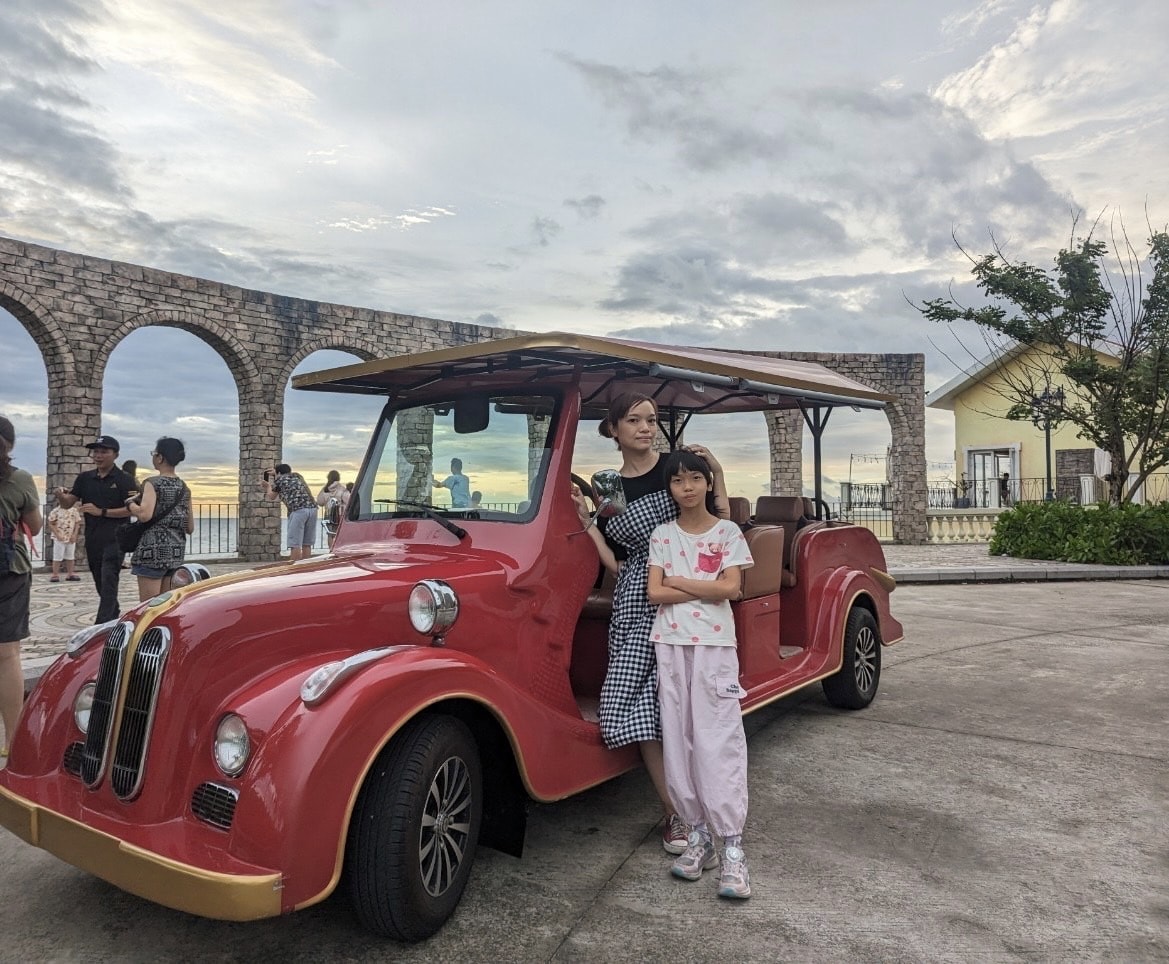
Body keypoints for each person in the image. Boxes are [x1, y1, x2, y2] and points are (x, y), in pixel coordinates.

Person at [569, 392, 730, 856]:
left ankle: (704, 802)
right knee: (637, 702)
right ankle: (674, 810)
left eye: (652, 419)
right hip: (636, 596)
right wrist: (588, 525)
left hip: (689, 590)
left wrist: (716, 473)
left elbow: (717, 524)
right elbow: (619, 562)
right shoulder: (607, 483)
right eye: (634, 420)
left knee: (682, 702)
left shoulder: (675, 466)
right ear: (613, 429)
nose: (645, 427)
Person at [647, 449, 754, 899]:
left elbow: (732, 588)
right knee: (679, 738)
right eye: (677, 481)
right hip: (670, 644)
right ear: (669, 488)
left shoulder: (727, 532)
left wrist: (681, 584)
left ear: (709, 483)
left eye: (695, 478)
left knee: (719, 738)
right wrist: (700, 590)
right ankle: (698, 835)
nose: (687, 487)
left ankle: (732, 847)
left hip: (714, 648)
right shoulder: (662, 534)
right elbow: (654, 592)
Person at [54, 435, 135, 624]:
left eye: (104, 451)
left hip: (116, 538)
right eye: (96, 451)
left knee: (109, 578)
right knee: (100, 580)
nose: (98, 455)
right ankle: (113, 610)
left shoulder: (125, 480)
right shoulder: (84, 478)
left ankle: (102, 624)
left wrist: (102, 512)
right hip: (93, 538)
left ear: (115, 455)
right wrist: (59, 495)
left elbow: (132, 509)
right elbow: (67, 504)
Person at [0, 416, 43, 757]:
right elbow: (35, 525)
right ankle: (12, 740)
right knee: (7, 654)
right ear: (10, 445)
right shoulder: (20, 479)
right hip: (10, 569)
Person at [126, 438, 194, 601]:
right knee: (166, 606)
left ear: (160, 457)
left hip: (152, 553)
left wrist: (130, 505)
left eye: (154, 454)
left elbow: (144, 515)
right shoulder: (184, 488)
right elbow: (190, 527)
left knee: (149, 608)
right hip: (175, 554)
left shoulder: (152, 483)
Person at [263, 463, 318, 561]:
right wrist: (276, 472)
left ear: (278, 473)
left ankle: (295, 568)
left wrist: (267, 486)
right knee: (306, 543)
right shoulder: (298, 477)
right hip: (312, 509)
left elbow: (272, 496)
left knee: (295, 543)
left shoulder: (279, 480)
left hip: (298, 510)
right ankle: (305, 567)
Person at [47, 491, 82, 582]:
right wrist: (57, 534)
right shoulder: (55, 511)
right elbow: (51, 523)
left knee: (70, 556)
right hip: (59, 537)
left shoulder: (74, 510)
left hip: (70, 537)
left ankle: (70, 573)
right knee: (57, 556)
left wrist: (75, 534)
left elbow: (77, 523)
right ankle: (55, 574)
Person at [316, 469, 350, 548]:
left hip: (328, 514)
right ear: (338, 478)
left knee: (330, 535)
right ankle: (339, 550)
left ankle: (331, 550)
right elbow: (349, 501)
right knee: (340, 534)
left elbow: (319, 501)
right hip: (339, 515)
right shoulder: (342, 489)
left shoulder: (325, 489)